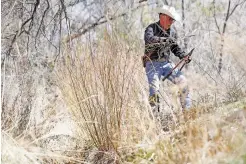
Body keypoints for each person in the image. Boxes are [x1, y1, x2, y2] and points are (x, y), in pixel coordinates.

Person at [143, 5, 191, 110]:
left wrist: (183, 56)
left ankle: (188, 113)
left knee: (183, 84)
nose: (171, 22)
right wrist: (164, 40)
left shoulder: (172, 32)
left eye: (173, 20)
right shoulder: (151, 28)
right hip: (152, 64)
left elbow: (175, 47)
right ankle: (155, 117)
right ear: (162, 16)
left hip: (166, 63)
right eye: (170, 19)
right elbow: (149, 39)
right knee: (154, 91)